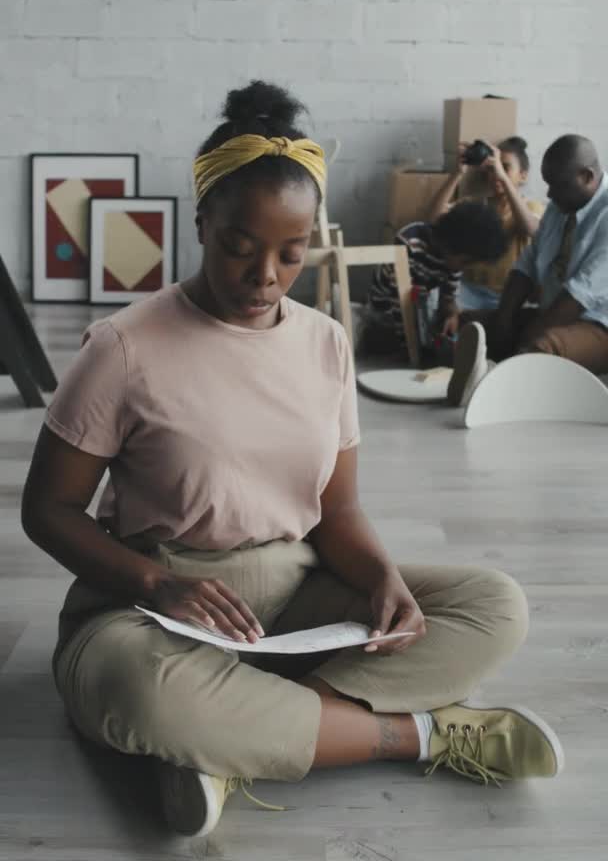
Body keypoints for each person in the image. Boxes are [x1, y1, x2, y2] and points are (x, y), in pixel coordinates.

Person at [22, 81, 563, 840]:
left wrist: (381, 581)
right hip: (149, 607)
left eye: (291, 252)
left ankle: (233, 743)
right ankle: (425, 736)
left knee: (494, 606)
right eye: (241, 247)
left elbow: (336, 510)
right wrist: (158, 583)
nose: (266, 276)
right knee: (137, 691)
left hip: (291, 595)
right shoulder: (124, 347)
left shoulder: (324, 342)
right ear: (204, 222)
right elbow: (46, 510)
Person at [448, 134, 608, 407]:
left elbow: (581, 294)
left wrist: (527, 332)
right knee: (473, 325)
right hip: (556, 312)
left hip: (599, 324)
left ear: (587, 176)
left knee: (542, 346)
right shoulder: (562, 204)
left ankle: (492, 388)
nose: (548, 194)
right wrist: (504, 319)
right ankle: (489, 375)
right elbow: (527, 265)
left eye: (556, 185)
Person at [360, 203, 507, 357]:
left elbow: (448, 298)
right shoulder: (411, 243)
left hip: (417, 307)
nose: (464, 268)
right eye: (466, 262)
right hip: (386, 312)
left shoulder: (454, 261)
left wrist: (452, 315)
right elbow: (401, 306)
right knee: (383, 339)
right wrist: (416, 353)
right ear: (449, 245)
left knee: (454, 326)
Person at [428, 137, 544, 314]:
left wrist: (503, 179)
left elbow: (531, 229)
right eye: (491, 169)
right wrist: (457, 173)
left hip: (510, 297)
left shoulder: (531, 208)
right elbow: (434, 219)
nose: (495, 174)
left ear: (523, 175)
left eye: (505, 167)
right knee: (431, 297)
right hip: (470, 292)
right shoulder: (475, 205)